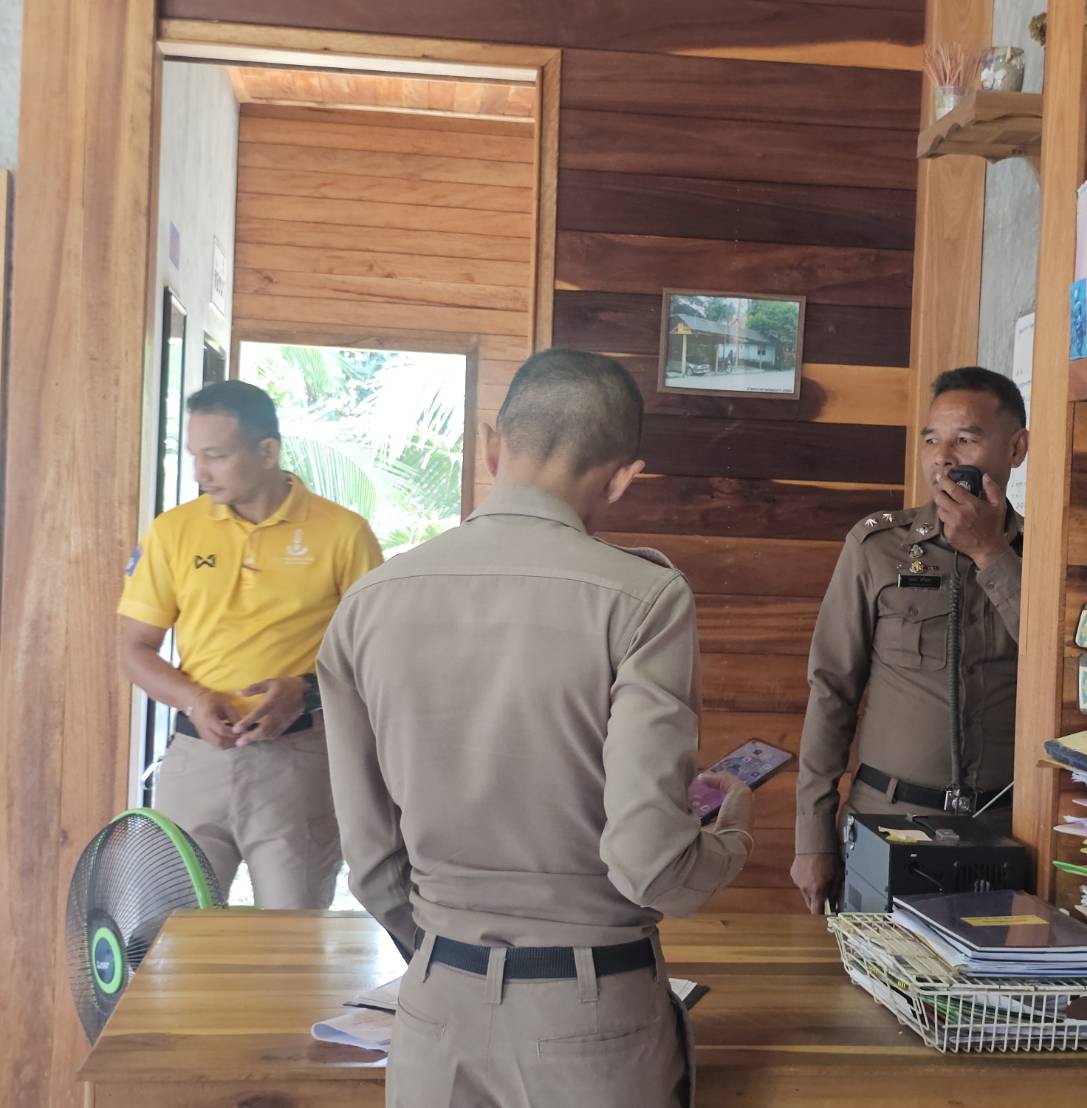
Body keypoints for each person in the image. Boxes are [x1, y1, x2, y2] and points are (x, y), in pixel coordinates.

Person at [317, 348, 754, 1108]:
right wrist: (732, 833)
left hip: (433, 1013)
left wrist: (446, 955)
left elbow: (372, 864)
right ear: (621, 478)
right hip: (593, 1014)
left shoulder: (368, 601)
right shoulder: (644, 599)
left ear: (492, 446)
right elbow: (650, 864)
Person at [118, 379, 383, 907]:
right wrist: (194, 699)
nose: (201, 472)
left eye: (216, 456)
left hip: (299, 762)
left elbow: (378, 654)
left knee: (290, 934)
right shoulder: (173, 532)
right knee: (171, 934)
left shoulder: (344, 534)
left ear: (267, 451)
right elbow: (134, 648)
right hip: (196, 759)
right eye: (195, 455)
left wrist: (304, 692)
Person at [790, 367, 1029, 914]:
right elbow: (831, 691)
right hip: (887, 823)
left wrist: (990, 553)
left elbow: (1061, 669)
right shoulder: (878, 547)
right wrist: (812, 835)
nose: (943, 457)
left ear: (1015, 449)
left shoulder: (1046, 555)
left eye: (964, 439)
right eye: (931, 440)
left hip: (1009, 829)